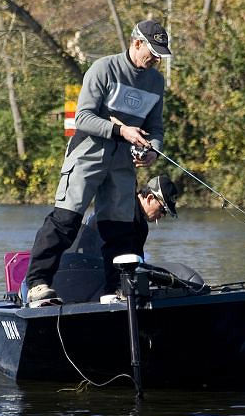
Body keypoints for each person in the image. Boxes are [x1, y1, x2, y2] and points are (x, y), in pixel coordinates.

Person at [24, 20, 172, 302]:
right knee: (66, 221)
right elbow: (83, 118)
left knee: (120, 229)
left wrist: (154, 148)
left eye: (159, 54)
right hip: (87, 155)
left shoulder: (156, 82)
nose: (154, 58)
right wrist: (121, 130)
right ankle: (38, 284)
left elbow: (156, 127)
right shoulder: (103, 68)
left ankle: (114, 290)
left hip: (122, 164)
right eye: (151, 51)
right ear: (136, 42)